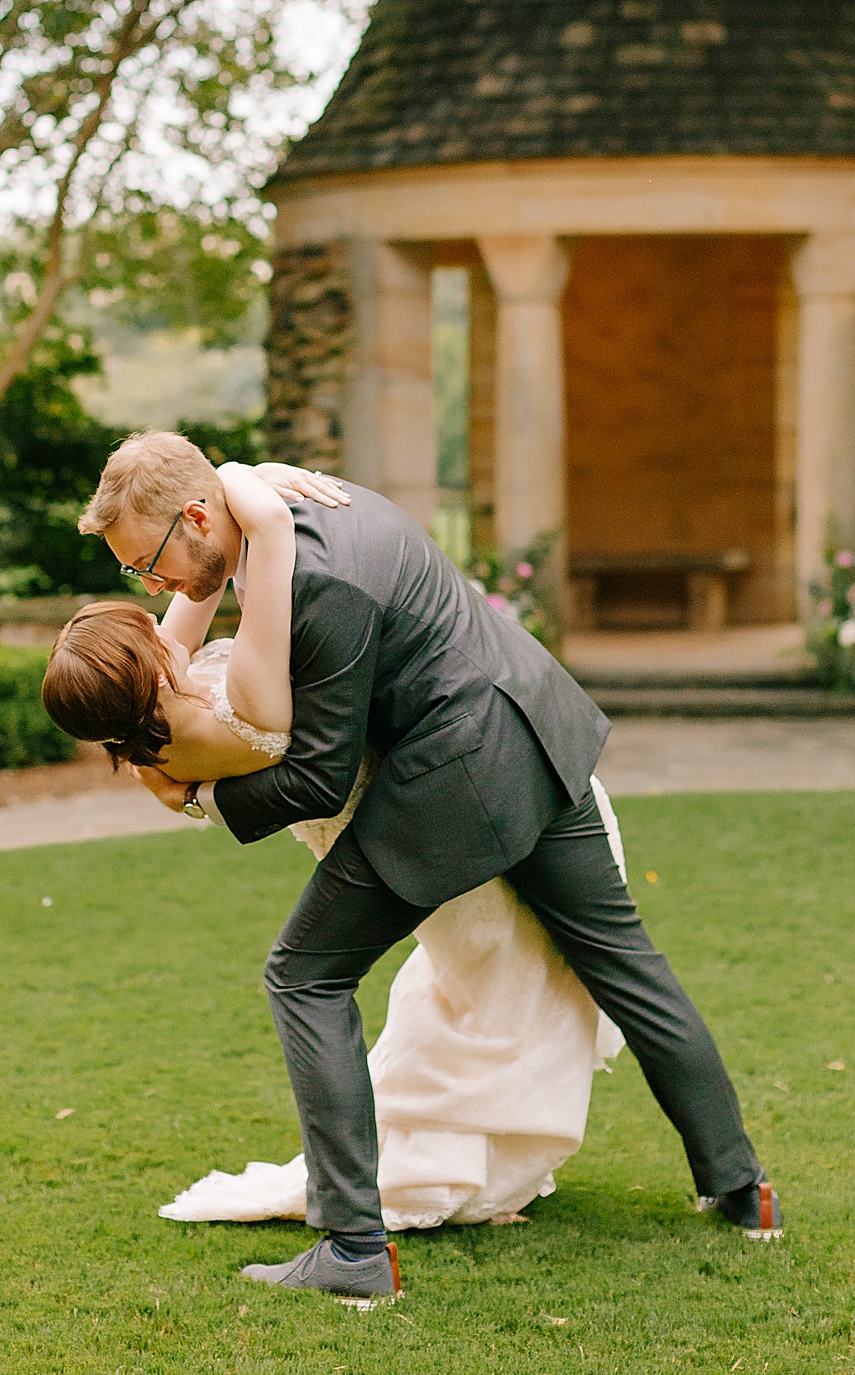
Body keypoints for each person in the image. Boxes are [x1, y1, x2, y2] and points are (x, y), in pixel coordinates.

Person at [63, 432, 782, 1304]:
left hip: (460, 777)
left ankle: (354, 1250)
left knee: (304, 977)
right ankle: (743, 1190)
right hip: (537, 726)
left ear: (199, 515)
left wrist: (200, 802)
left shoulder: (315, 580)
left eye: (151, 565)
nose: (157, 586)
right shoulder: (296, 506)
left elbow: (321, 773)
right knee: (624, 963)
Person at [43, 461, 636, 1246]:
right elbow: (311, 748)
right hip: (425, 818)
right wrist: (261, 513)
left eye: (143, 570)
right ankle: (446, 1179)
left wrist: (228, 484)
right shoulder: (232, 708)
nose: (155, 596)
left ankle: (450, 1172)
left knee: (480, 993)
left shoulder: (161, 711)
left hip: (439, 802)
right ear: (138, 675)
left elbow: (196, 592)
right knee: (492, 990)